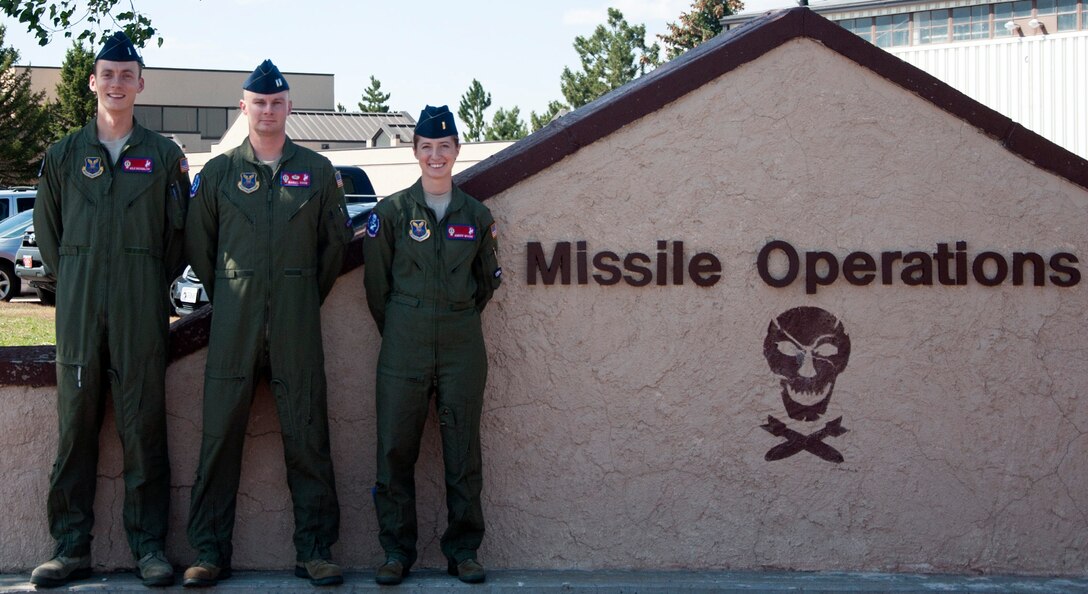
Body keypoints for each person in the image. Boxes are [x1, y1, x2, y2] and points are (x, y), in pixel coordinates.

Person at [181, 60, 351, 588]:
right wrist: (236, 291)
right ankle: (209, 552)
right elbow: (198, 245)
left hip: (297, 324)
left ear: (289, 108)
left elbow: (333, 249)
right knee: (219, 439)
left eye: (277, 103)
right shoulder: (219, 173)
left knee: (308, 436)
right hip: (234, 323)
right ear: (244, 107)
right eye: (259, 102)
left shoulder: (318, 173)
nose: (268, 110)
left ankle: (315, 551)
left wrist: (298, 291)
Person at [30, 31, 190, 588]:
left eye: (127, 75)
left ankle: (149, 548)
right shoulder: (64, 154)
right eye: (108, 74)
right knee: (75, 427)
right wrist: (80, 274)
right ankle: (70, 547)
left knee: (143, 425)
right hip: (77, 310)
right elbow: (48, 235)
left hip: (139, 309)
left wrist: (138, 277)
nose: (117, 83)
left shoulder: (165, 158)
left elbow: (178, 239)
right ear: (93, 81)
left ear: (141, 84)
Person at [363, 105, 503, 585]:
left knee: (462, 450)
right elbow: (376, 288)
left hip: (462, 343)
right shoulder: (393, 213)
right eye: (427, 147)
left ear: (457, 151)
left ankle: (463, 551)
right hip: (404, 341)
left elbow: (486, 283)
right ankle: (395, 553)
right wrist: (408, 322)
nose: (436, 155)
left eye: (445, 146)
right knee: (394, 451)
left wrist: (452, 316)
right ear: (415, 152)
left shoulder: (477, 216)